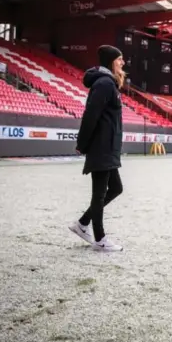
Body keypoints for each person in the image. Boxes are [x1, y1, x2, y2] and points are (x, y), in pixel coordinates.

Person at [68, 45, 125, 252]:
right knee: (99, 194)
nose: (123, 63)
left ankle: (82, 224)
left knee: (116, 188)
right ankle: (100, 239)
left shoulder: (109, 84)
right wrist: (82, 144)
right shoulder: (104, 84)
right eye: (120, 59)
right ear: (111, 61)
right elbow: (90, 115)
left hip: (108, 147)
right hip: (101, 147)